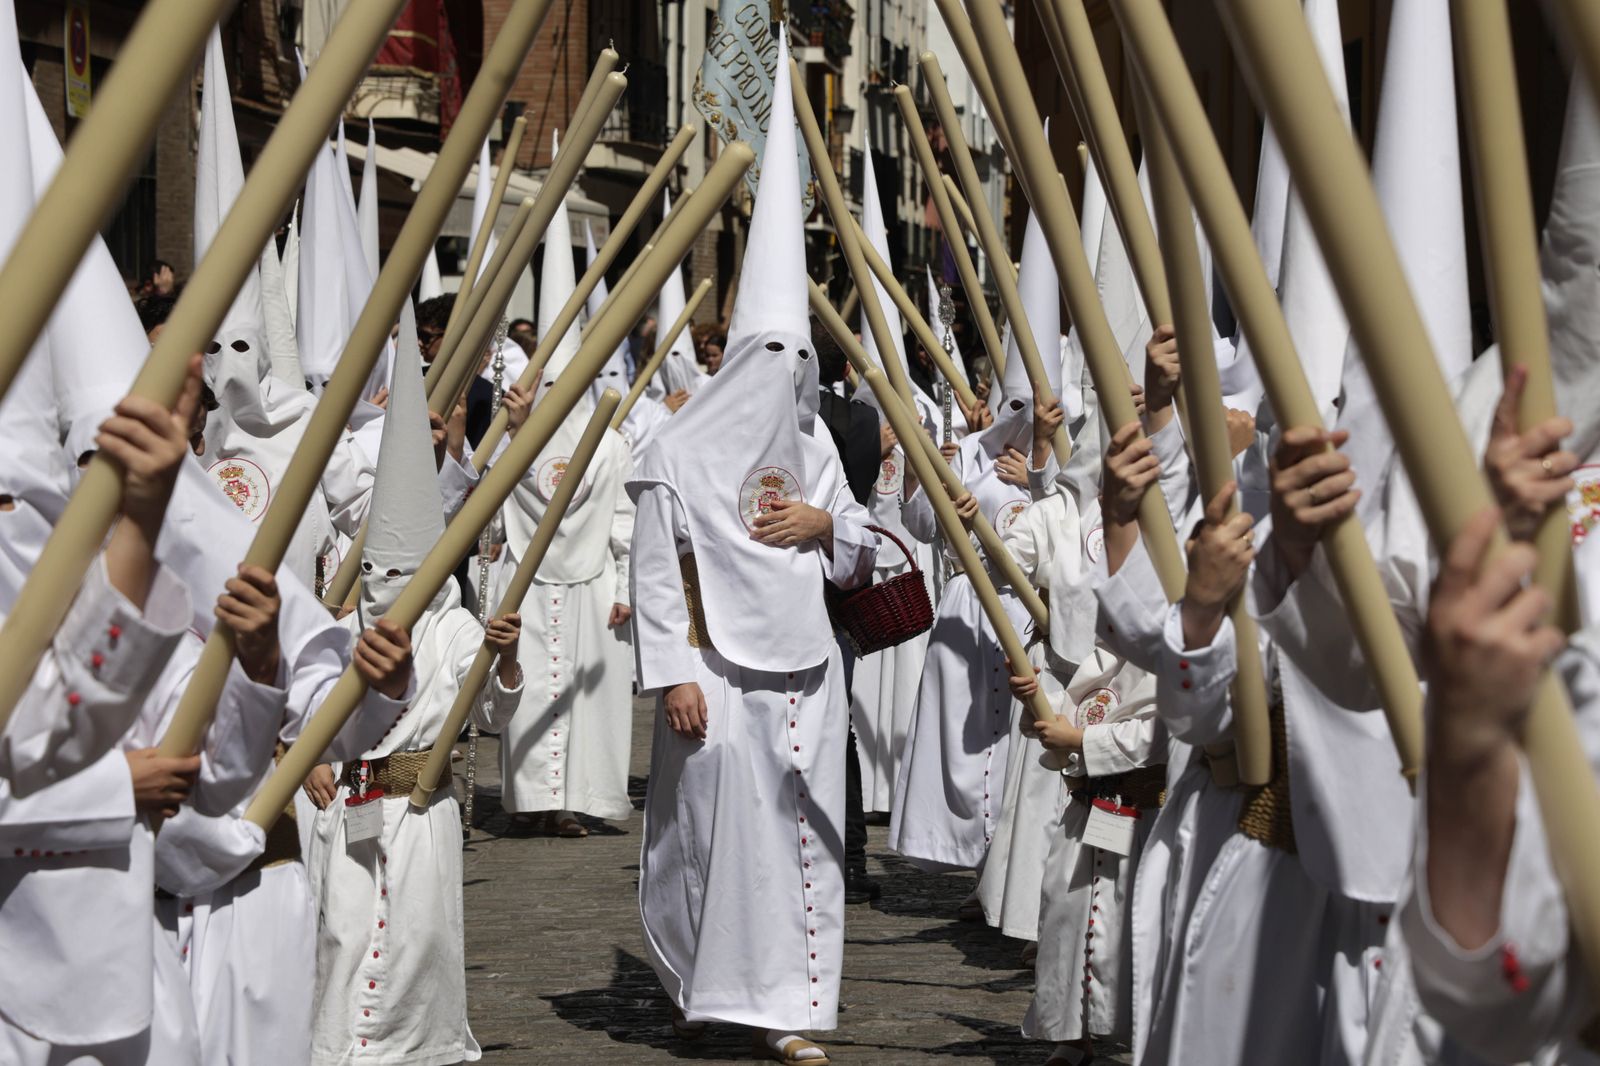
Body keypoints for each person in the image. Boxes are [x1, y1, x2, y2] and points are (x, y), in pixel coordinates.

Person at [630, 36, 877, 1063]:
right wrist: (673, 672)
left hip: (807, 672)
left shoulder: (815, 441)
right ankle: (712, 981)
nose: (785, 376)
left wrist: (829, 526)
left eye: (798, 360)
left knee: (804, 842)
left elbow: (865, 547)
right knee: (721, 841)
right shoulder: (677, 445)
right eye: (768, 357)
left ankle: (793, 1007)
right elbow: (655, 561)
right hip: (718, 670)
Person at [306, 317, 523, 1066]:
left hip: (421, 809)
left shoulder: (454, 627)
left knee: (416, 943)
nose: (390, 595)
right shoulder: (337, 631)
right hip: (351, 815)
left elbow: (491, 709)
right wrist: (308, 759)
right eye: (379, 577)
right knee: (347, 939)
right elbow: (304, 714)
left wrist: (507, 657)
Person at [495, 183, 636, 837]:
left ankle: (582, 797)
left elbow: (629, 522)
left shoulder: (610, 443)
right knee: (532, 698)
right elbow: (485, 505)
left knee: (591, 702)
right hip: (527, 585)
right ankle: (537, 800)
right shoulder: (512, 446)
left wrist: (629, 587)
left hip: (592, 588)